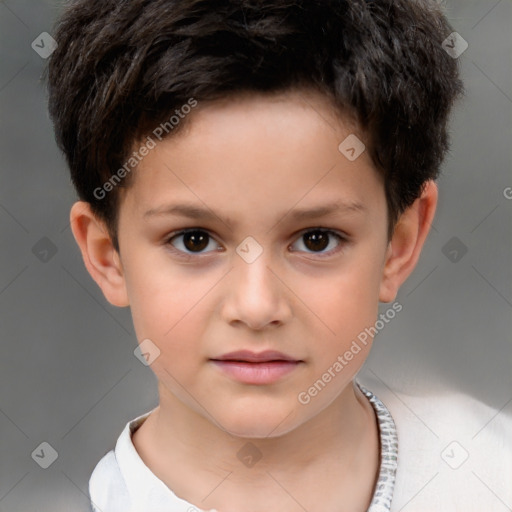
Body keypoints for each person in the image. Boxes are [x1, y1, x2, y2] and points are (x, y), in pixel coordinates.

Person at [45, 0, 511, 510]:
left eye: (316, 239)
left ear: (398, 246)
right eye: (194, 240)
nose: (256, 306)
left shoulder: (489, 470)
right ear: (107, 255)